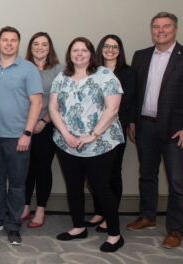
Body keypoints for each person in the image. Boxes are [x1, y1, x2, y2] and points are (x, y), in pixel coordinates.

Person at [126, 12, 183, 249]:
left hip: (176, 130)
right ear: (152, 30)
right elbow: (135, 94)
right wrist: (132, 122)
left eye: (166, 26)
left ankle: (175, 228)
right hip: (145, 126)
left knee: (177, 181)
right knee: (147, 175)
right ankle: (147, 216)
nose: (160, 31)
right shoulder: (141, 56)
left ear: (175, 29)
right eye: (156, 27)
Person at [50, 37, 125, 252]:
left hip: (100, 143)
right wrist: (66, 134)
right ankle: (78, 227)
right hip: (67, 143)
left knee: (101, 188)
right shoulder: (61, 77)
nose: (79, 54)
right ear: (69, 53)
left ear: (91, 53)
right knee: (73, 186)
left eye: (84, 50)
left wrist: (92, 135)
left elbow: (113, 109)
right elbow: (53, 108)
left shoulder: (105, 75)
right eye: (75, 50)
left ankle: (114, 234)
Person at [0, 26, 43, 246]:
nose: (9, 44)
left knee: (16, 184)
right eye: (5, 40)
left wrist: (27, 133)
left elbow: (37, 102)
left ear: (18, 43)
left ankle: (13, 225)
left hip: (18, 137)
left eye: (13, 40)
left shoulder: (29, 68)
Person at [85, 34, 135, 233]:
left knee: (112, 174)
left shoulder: (128, 73)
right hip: (92, 132)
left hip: (114, 132)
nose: (110, 49)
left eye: (115, 46)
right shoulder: (91, 71)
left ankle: (109, 215)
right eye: (107, 46)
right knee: (95, 174)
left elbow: (126, 102)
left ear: (120, 50)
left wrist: (105, 120)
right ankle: (99, 211)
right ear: (100, 48)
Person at [20, 32, 64, 229]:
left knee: (43, 168)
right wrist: (29, 123)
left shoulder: (58, 70)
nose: (39, 47)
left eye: (44, 44)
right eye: (35, 44)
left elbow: (63, 100)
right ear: (30, 47)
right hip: (24, 126)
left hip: (47, 126)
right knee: (26, 169)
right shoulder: (23, 68)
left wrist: (44, 120)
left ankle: (41, 210)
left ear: (49, 48)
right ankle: (25, 206)